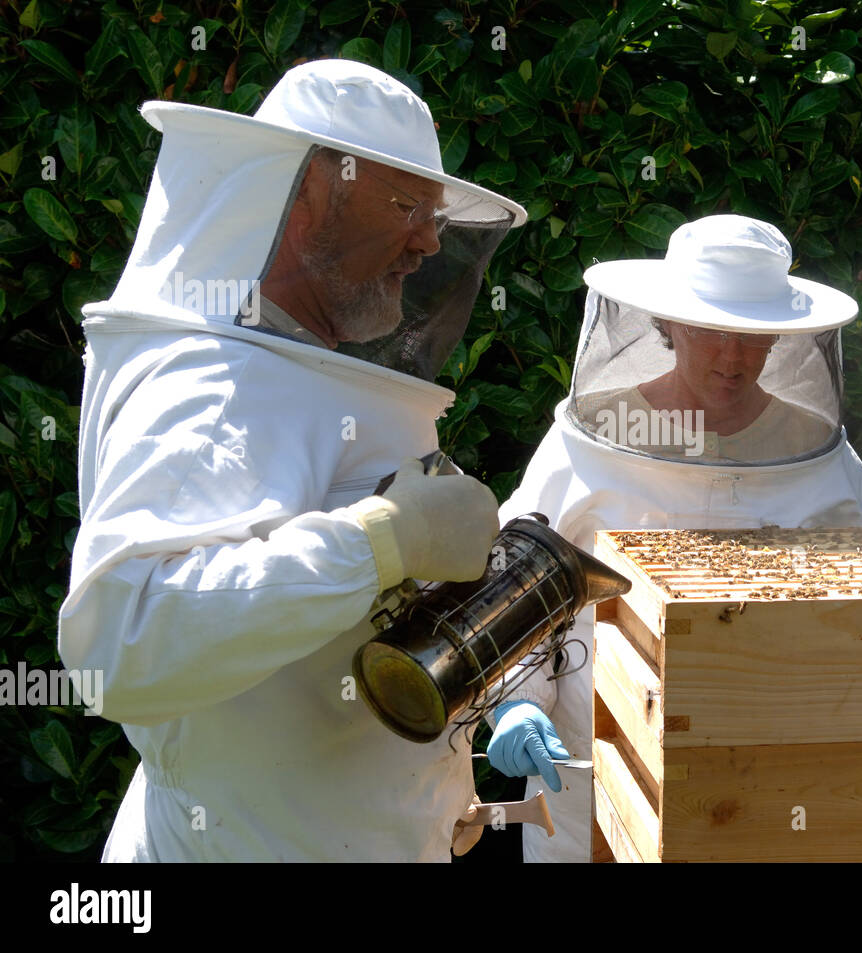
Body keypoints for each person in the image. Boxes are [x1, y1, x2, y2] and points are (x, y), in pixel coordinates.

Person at [57, 59, 547, 861]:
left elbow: (328, 648)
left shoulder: (303, 370)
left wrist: (437, 783)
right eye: (404, 206)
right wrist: (381, 538)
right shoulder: (214, 384)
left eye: (434, 215)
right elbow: (121, 641)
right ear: (307, 192)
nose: (428, 241)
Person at [489, 214, 862, 862]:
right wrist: (515, 701)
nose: (731, 358)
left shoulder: (826, 469)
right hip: (585, 781)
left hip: (760, 795)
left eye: (750, 335)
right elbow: (516, 586)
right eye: (709, 330)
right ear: (669, 323)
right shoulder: (590, 440)